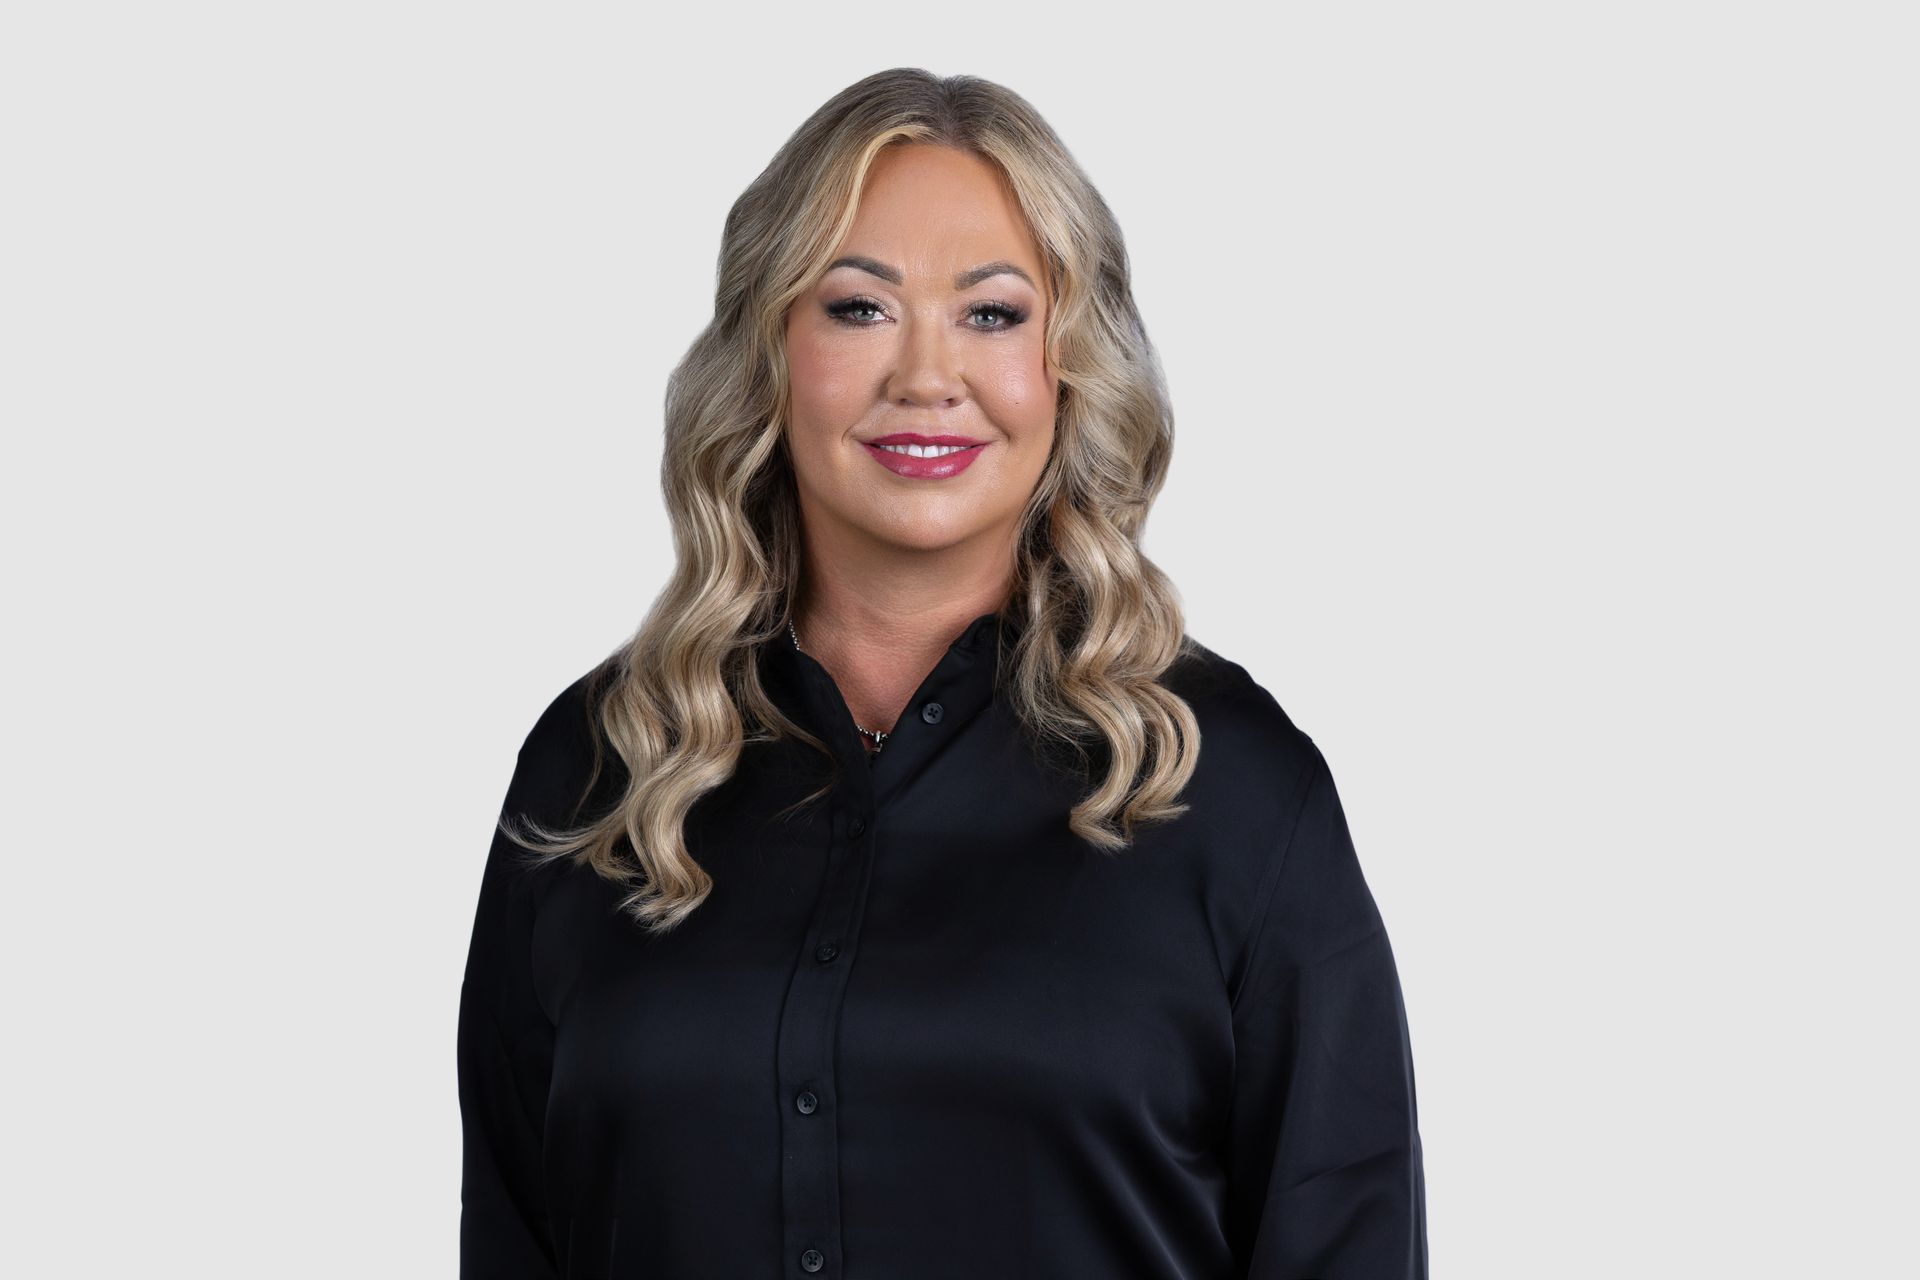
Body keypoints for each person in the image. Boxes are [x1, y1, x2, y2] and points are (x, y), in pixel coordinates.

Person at [457, 67, 1427, 1280]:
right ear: (770, 350)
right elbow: (513, 1233)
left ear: (1069, 364)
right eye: (859, 308)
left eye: (993, 313)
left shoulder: (1231, 788)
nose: (927, 375)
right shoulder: (598, 770)